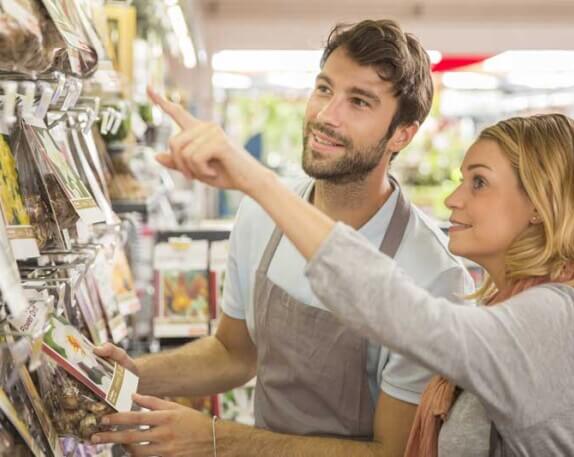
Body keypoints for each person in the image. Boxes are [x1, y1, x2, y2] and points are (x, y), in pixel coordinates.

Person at [96, 110, 574, 456]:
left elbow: (413, 319)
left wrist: (257, 182)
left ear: (541, 207)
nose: (454, 200)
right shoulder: (511, 305)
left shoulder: (558, 320)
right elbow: (235, 352)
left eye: (479, 182)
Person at [92, 19, 474, 457]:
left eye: (360, 102)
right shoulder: (260, 212)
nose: (327, 116)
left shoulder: (434, 275)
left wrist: (217, 439)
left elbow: (391, 452)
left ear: (403, 133)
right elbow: (234, 353)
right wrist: (130, 375)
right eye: (325, 89)